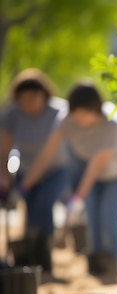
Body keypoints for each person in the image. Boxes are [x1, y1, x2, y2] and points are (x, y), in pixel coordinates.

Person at [20, 82, 117, 278]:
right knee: (92, 218)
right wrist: (24, 187)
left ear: (96, 108)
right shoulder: (66, 121)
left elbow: (94, 169)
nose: (79, 119)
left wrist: (75, 201)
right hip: (89, 169)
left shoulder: (113, 125)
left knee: (107, 216)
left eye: (84, 113)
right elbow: (46, 155)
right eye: (76, 113)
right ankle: (96, 265)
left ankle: (111, 265)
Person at [0, 69, 70, 274]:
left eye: (33, 99)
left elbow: (46, 157)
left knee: (43, 204)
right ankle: (30, 261)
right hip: (26, 169)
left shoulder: (58, 112)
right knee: (30, 212)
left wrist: (22, 188)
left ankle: (44, 258)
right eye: (24, 100)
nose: (29, 104)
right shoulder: (13, 114)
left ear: (44, 95)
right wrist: (4, 178)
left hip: (55, 169)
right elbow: (4, 150)